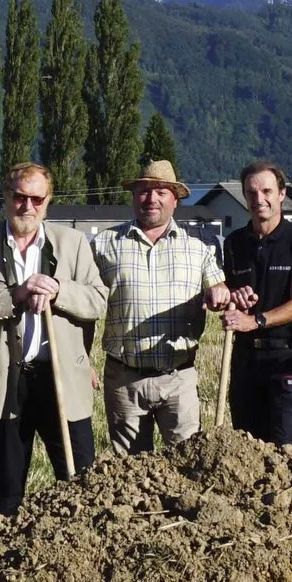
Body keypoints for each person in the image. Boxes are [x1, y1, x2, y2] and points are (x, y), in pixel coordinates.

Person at [0, 163, 111, 510]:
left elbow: (98, 300)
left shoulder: (72, 244)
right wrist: (15, 295)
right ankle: (7, 542)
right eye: (19, 197)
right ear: (5, 197)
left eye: (36, 199)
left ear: (48, 201)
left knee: (79, 475)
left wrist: (58, 291)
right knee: (8, 484)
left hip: (62, 377)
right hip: (7, 379)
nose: (27, 206)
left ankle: (77, 545)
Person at [92, 158, 230, 455]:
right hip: (125, 379)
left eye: (161, 191)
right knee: (128, 472)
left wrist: (219, 292)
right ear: (133, 197)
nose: (151, 199)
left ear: (175, 199)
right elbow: (84, 301)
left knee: (186, 462)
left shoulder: (199, 250)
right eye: (143, 191)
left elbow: (218, 289)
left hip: (178, 378)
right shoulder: (104, 245)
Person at [220, 161, 292, 446]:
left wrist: (255, 320)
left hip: (286, 360)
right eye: (251, 193)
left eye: (266, 190)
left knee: (285, 450)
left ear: (281, 193)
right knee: (247, 452)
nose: (258, 199)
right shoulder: (233, 244)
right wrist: (232, 298)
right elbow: (229, 291)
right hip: (245, 363)